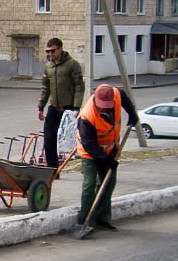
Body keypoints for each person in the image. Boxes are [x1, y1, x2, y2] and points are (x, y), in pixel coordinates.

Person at [75, 84, 138, 231]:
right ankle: (85, 220)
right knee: (89, 185)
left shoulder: (115, 95)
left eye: (108, 106)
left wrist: (132, 113)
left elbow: (123, 96)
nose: (105, 109)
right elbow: (90, 144)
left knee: (108, 184)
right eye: (103, 106)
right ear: (95, 100)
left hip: (110, 149)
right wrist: (106, 161)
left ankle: (102, 219)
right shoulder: (86, 117)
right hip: (89, 153)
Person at [37, 38, 84, 168]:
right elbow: (45, 88)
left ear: (60, 49)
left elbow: (79, 86)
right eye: (48, 52)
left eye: (53, 51)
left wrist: (76, 107)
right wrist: (41, 107)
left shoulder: (72, 65)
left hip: (68, 107)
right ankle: (52, 168)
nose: (50, 54)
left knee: (68, 138)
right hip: (53, 107)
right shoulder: (48, 66)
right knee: (49, 137)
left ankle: (82, 162)